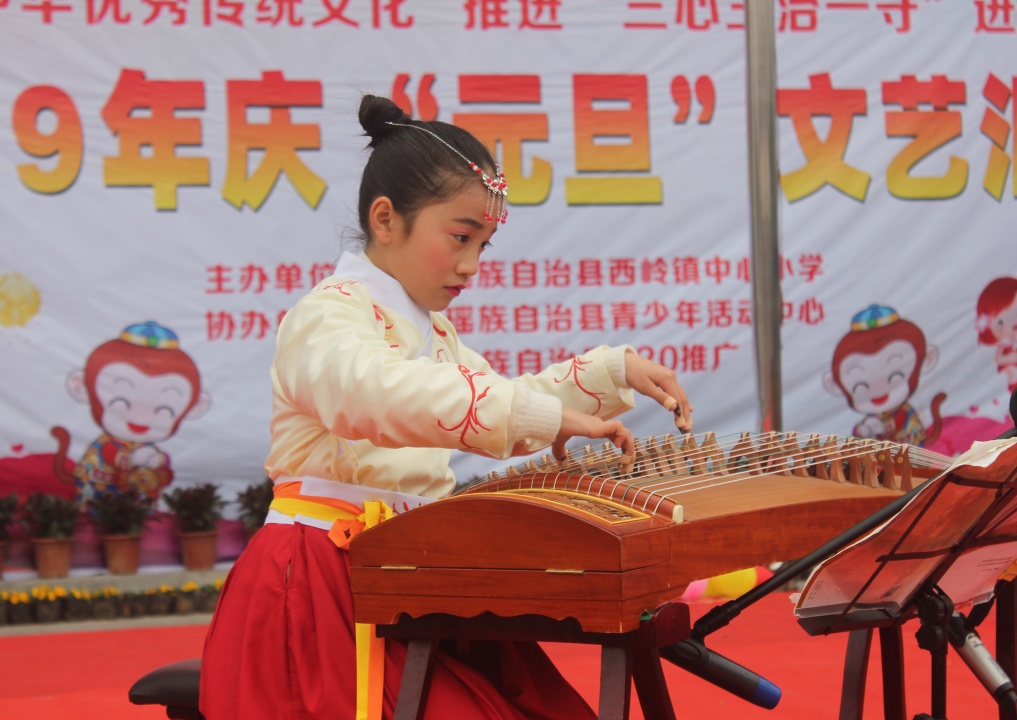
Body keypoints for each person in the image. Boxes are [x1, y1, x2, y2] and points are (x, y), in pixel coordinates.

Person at [199, 94, 694, 720]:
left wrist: (610, 372)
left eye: (483, 245)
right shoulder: (327, 314)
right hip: (323, 579)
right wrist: (536, 415)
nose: (470, 266)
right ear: (386, 219)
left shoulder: (432, 333)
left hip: (410, 571)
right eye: (460, 237)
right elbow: (376, 393)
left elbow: (498, 400)